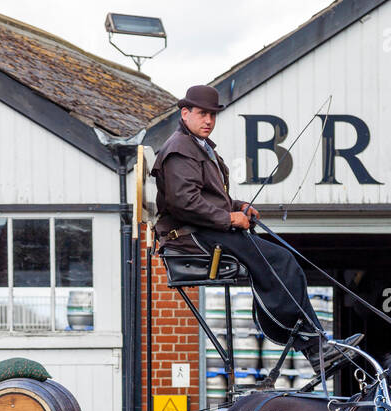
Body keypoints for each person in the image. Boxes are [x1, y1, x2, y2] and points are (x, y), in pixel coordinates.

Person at [152, 84, 360, 372]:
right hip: (193, 237)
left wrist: (237, 206)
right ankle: (315, 349)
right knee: (280, 261)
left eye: (213, 115)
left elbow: (209, 197)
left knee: (278, 261)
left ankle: (315, 345)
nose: (209, 120)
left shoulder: (198, 147)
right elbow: (184, 203)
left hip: (205, 230)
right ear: (185, 113)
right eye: (202, 114)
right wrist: (229, 219)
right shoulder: (179, 150)